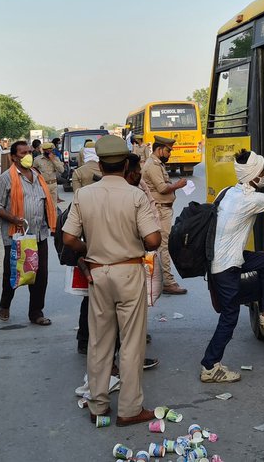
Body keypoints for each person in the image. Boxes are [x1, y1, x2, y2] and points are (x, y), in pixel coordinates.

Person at [62, 136, 161, 426]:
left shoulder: (84, 195)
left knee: (99, 341)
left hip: (98, 272)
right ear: (126, 163)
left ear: (101, 163)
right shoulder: (135, 195)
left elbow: (69, 238)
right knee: (131, 343)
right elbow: (153, 240)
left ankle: (98, 405)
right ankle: (130, 409)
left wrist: (88, 250)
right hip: (128, 271)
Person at [201, 150, 264, 383]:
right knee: (229, 317)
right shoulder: (249, 199)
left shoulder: (228, 192)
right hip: (225, 267)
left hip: (225, 257)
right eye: (262, 172)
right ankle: (210, 367)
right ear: (253, 177)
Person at [0, 141, 57, 325]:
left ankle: (36, 312)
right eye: (23, 153)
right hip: (16, 235)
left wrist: (52, 223)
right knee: (13, 272)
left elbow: (45, 203)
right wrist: (13, 218)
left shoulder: (37, 175)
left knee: (40, 274)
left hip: (39, 234)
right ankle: (5, 304)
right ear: (13, 157)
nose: (28, 155)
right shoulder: (7, 178)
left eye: (29, 151)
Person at [141, 135, 188, 296]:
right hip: (160, 210)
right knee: (164, 246)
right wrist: (178, 185)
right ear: (159, 149)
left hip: (163, 209)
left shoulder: (157, 164)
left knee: (162, 246)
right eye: (168, 151)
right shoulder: (152, 165)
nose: (169, 154)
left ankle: (162, 279)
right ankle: (168, 282)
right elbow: (162, 188)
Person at [33, 141, 65, 206]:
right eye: (49, 151)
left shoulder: (56, 158)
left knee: (54, 206)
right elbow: (33, 171)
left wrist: (53, 160)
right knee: (44, 205)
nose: (51, 152)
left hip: (53, 185)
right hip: (43, 185)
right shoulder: (37, 159)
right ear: (44, 150)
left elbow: (61, 170)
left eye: (52, 150)